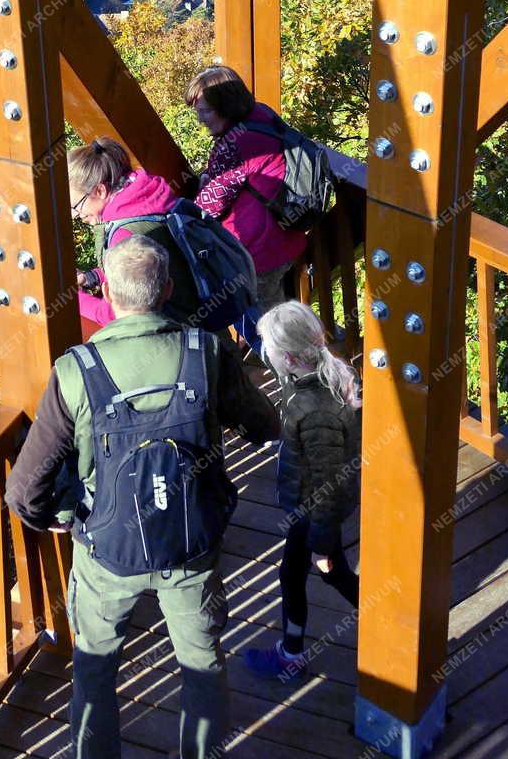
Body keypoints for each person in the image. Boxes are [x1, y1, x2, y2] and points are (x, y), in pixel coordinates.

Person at [6, 236, 280, 759]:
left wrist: (59, 518)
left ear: (107, 292)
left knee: (93, 666)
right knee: (202, 665)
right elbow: (262, 426)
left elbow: (25, 490)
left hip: (108, 548)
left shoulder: (76, 371)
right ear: (168, 289)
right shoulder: (208, 351)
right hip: (190, 542)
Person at [244, 300, 361, 681]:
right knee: (294, 573)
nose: (263, 355)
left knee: (328, 571)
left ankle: (294, 655)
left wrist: (322, 543)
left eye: (269, 349)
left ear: (290, 358)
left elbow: (330, 482)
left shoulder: (316, 412)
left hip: (315, 506)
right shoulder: (313, 374)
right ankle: (292, 649)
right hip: (307, 503)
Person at [186, 65, 308, 337]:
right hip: (284, 236)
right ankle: (296, 364)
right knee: (277, 316)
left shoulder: (236, 143)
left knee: (267, 328)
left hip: (257, 251)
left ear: (225, 106)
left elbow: (209, 205)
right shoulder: (260, 115)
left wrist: (202, 187)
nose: (200, 118)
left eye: (204, 110)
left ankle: (291, 372)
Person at [69, 136, 201, 329]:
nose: (74, 215)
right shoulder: (149, 199)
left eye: (76, 206)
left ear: (99, 191)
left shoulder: (125, 233)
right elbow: (146, 268)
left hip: (181, 340)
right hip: (205, 328)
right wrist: (94, 276)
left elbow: (116, 312)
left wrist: (73, 298)